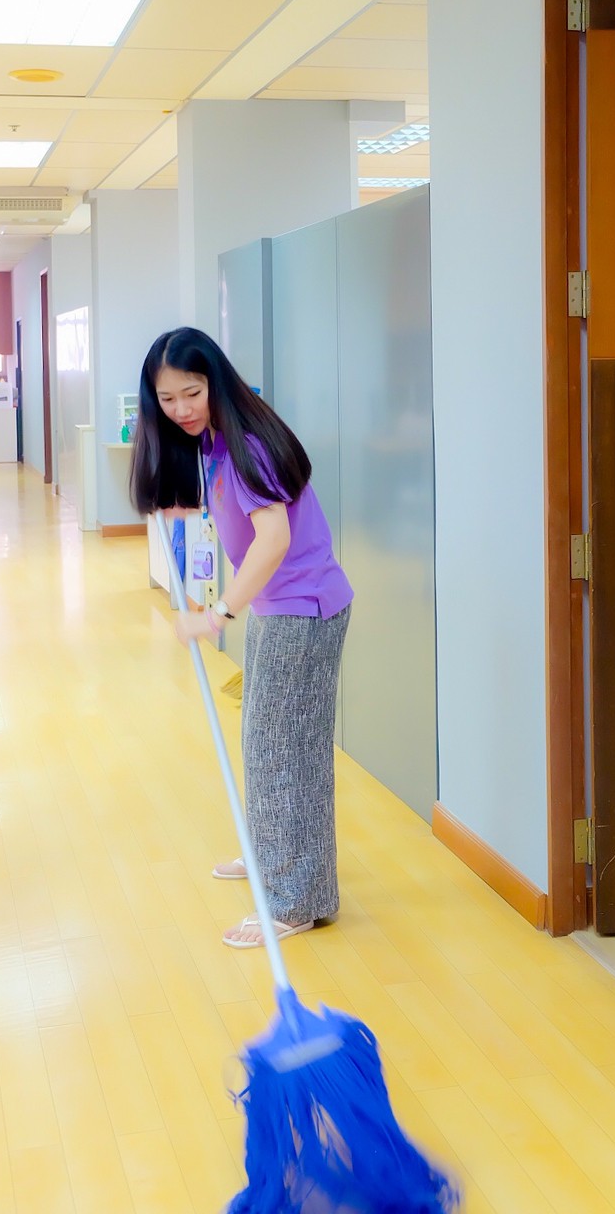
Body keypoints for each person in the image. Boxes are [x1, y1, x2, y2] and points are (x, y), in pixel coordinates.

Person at [130, 327, 353, 949]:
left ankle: (292, 901)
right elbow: (225, 513)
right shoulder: (214, 441)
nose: (181, 409)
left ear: (215, 383)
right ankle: (278, 863)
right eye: (167, 399)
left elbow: (274, 539)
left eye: (192, 393)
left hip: (301, 611)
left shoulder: (247, 443)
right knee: (276, 746)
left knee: (281, 754)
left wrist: (218, 615)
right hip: (283, 608)